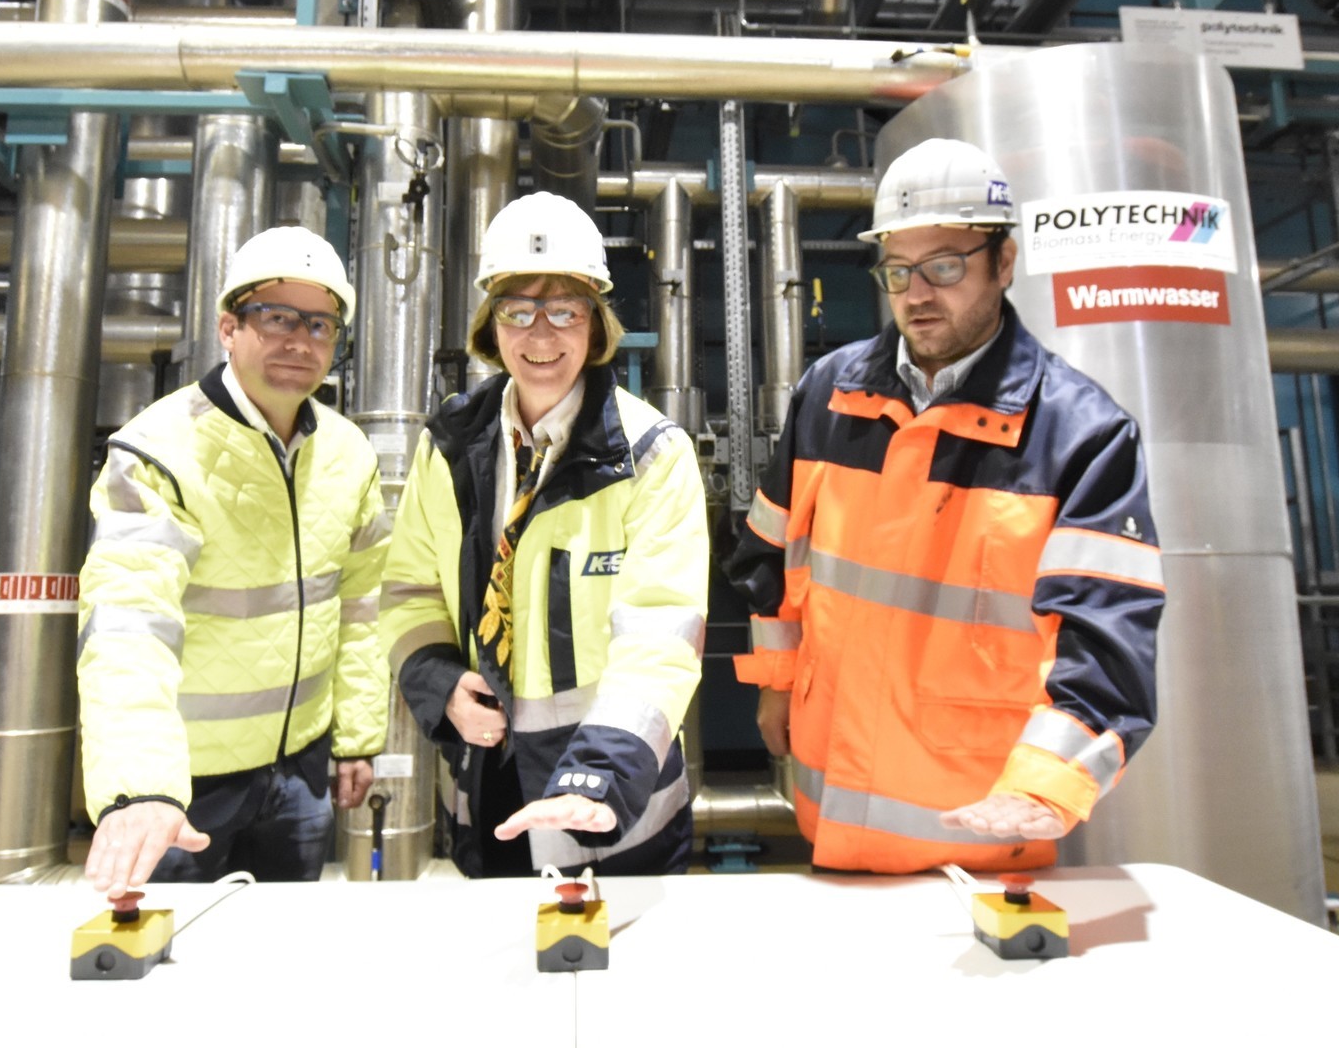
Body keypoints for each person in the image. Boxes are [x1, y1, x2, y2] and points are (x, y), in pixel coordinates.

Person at [724, 138, 1164, 874]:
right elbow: (773, 553)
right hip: (829, 820)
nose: (918, 294)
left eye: (946, 266)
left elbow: (1105, 636)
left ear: (1005, 261)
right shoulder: (828, 393)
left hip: (982, 830)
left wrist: (1043, 787)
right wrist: (775, 687)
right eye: (899, 271)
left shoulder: (1081, 434)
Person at [381, 192, 709, 877]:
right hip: (489, 787)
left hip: (616, 794)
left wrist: (600, 773)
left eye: (565, 311)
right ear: (490, 324)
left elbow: (659, 635)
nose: (540, 335)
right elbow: (411, 589)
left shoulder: (650, 453)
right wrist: (438, 683)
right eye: (518, 311)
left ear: (596, 324)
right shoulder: (448, 445)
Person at [78, 226, 390, 899]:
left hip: (301, 774)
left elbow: (363, 608)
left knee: (281, 967)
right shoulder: (156, 452)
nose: (300, 342)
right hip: (184, 787)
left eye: (320, 325)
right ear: (228, 326)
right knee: (172, 968)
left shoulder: (347, 453)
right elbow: (129, 628)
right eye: (277, 318)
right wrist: (140, 786)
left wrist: (358, 736)